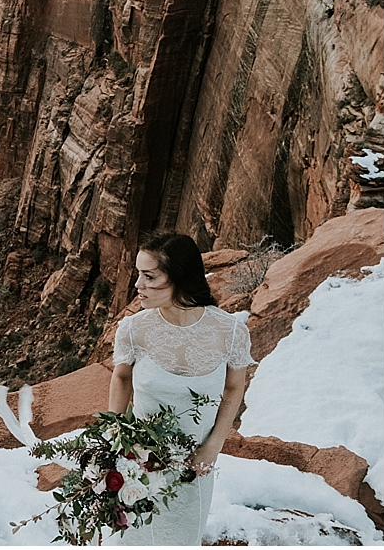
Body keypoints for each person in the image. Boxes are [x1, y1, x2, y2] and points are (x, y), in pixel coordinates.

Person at [106, 231, 254, 545]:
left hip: (194, 468)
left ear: (179, 278)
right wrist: (113, 438)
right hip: (138, 466)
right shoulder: (134, 329)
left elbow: (233, 389)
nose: (138, 285)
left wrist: (213, 446)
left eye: (149, 276)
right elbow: (120, 378)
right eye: (138, 275)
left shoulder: (230, 332)